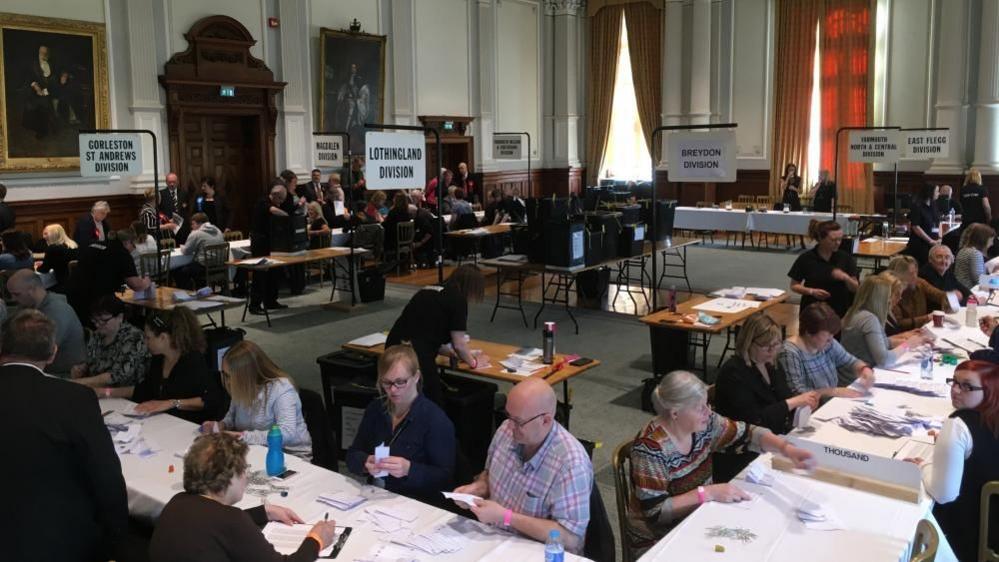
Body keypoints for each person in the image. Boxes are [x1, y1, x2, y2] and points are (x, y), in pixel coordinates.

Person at [627, 371, 815, 554]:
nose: (708, 412)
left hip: (698, 515)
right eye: (700, 407)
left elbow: (747, 433)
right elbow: (656, 513)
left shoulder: (704, 424)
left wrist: (786, 449)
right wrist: (707, 493)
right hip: (659, 538)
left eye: (707, 404)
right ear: (675, 413)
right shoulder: (650, 448)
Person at [0, 309, 128, 561]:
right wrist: (116, 542)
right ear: (53, 353)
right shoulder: (73, 399)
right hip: (59, 541)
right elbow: (105, 476)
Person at [451, 378, 593, 554]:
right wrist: (478, 488)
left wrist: (506, 517)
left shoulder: (571, 464)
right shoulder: (506, 430)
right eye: (508, 416)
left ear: (546, 421)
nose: (509, 426)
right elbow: (488, 474)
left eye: (518, 421)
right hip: (494, 539)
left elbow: (570, 538)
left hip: (535, 552)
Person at [149, 433, 338, 562]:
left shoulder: (177, 502)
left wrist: (264, 512)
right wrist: (316, 539)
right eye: (244, 469)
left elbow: (216, 527)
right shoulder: (230, 520)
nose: (247, 476)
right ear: (228, 477)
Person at [901, 360, 999, 562]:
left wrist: (922, 466)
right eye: (954, 382)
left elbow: (944, 494)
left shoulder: (958, 425)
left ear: (988, 390)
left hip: (969, 533)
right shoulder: (991, 416)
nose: (955, 390)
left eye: (967, 386)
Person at [713, 313, 820, 482]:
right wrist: (794, 402)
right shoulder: (734, 372)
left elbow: (785, 398)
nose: (772, 350)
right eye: (766, 346)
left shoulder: (771, 365)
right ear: (748, 343)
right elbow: (755, 420)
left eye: (776, 344)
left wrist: (802, 405)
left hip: (772, 442)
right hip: (742, 454)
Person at [348, 345, 456, 502]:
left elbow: (445, 478)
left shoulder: (435, 421)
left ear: (416, 377)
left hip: (413, 501)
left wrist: (409, 470)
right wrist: (365, 462)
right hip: (374, 494)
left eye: (400, 382)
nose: (393, 390)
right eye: (386, 382)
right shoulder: (376, 409)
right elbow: (352, 454)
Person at [386, 265, 487, 404]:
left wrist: (451, 354)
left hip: (393, 347)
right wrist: (474, 362)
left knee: (397, 399)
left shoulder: (428, 289)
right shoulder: (458, 300)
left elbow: (427, 334)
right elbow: (459, 344)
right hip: (416, 358)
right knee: (432, 403)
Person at [203, 341, 312, 458]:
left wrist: (243, 437)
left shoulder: (281, 389)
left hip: (289, 454)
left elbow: (286, 433)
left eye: (229, 376)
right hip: (255, 450)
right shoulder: (240, 388)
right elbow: (232, 417)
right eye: (224, 374)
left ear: (245, 376)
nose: (227, 381)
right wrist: (221, 425)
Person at [132, 308, 222, 424]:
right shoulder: (158, 359)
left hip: (187, 424)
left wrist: (172, 403)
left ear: (163, 338)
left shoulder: (192, 361)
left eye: (148, 337)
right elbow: (144, 390)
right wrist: (109, 392)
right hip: (163, 422)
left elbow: (211, 400)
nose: (145, 341)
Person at [779, 302, 875, 397]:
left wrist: (864, 369)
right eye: (827, 334)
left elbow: (850, 361)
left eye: (832, 334)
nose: (831, 338)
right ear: (809, 332)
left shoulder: (828, 343)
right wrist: (833, 392)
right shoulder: (790, 353)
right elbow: (797, 393)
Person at [6, 269, 86, 377]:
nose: (13, 299)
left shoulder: (57, 311)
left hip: (63, 374)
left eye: (16, 294)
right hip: (43, 368)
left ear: (32, 290)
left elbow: (37, 351)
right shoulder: (28, 306)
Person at [841, 274, 930, 368]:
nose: (890, 300)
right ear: (879, 299)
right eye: (888, 296)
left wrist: (911, 340)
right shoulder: (869, 319)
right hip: (857, 378)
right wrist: (908, 344)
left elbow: (881, 342)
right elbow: (884, 360)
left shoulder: (855, 312)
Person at [70, 296, 149, 399]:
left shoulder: (134, 338)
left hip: (123, 396)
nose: (98, 325)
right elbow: (91, 361)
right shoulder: (97, 335)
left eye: (103, 320)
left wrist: (80, 382)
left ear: (120, 317)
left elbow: (116, 376)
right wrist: (81, 368)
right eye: (95, 320)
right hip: (98, 392)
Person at [66, 228, 151, 323]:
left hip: (71, 295)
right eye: (133, 244)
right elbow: (137, 286)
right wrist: (147, 282)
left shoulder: (94, 245)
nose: (134, 248)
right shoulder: (122, 253)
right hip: (95, 302)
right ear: (127, 242)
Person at [788, 220, 859, 318]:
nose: (838, 243)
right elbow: (794, 285)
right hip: (813, 310)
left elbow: (855, 288)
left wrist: (846, 277)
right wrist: (811, 291)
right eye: (833, 240)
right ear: (820, 238)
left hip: (840, 312)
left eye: (840, 239)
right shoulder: (806, 258)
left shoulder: (845, 258)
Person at [249, 181, 296, 314]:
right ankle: (254, 305)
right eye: (280, 199)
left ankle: (271, 301)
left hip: (271, 242)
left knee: (273, 272)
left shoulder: (273, 202)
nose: (280, 203)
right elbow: (273, 210)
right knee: (260, 273)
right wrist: (287, 217)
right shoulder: (263, 202)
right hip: (260, 243)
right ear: (274, 195)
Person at [886, 254, 955, 332]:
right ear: (899, 275)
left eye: (916, 272)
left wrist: (950, 296)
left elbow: (938, 294)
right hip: (904, 335)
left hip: (920, 331)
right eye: (911, 274)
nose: (915, 276)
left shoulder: (919, 283)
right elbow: (898, 324)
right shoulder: (892, 293)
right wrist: (927, 318)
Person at [173, 212, 225, 289]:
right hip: (219, 265)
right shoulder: (218, 230)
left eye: (193, 224)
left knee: (178, 272)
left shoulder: (196, 233)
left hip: (204, 266)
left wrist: (181, 247)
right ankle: (200, 288)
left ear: (200, 224)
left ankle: (188, 294)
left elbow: (186, 251)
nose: (191, 226)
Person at [907, 182, 942, 265]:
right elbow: (916, 226)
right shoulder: (917, 206)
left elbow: (938, 223)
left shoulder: (934, 205)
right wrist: (930, 241)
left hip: (934, 242)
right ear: (930, 192)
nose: (939, 193)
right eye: (937, 191)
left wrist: (940, 238)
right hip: (921, 244)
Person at [36, 223, 78, 292]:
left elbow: (43, 270)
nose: (43, 237)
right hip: (77, 282)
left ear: (53, 234)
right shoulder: (73, 245)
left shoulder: (53, 249)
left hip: (62, 285)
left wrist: (36, 267)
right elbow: (61, 263)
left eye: (46, 234)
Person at [955, 222, 995, 289]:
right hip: (970, 292)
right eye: (991, 240)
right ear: (983, 239)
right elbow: (980, 281)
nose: (992, 244)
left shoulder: (964, 250)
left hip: (962, 289)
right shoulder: (975, 254)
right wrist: (997, 282)